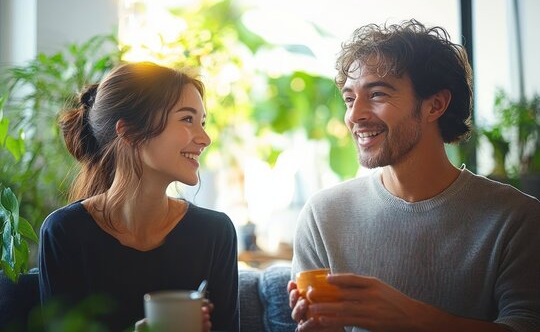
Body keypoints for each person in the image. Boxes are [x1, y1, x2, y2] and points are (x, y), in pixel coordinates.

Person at [288, 20, 540, 332]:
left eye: (377, 94)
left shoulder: (516, 218)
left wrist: (411, 319)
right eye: (350, 99)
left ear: (435, 105)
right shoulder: (323, 215)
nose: (354, 115)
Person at [39, 62, 239, 331]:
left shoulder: (215, 233)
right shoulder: (65, 232)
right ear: (129, 132)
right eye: (187, 119)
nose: (205, 138)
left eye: (202, 122)